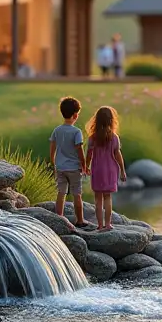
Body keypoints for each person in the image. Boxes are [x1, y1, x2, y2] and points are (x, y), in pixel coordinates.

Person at [49, 96, 89, 227]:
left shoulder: (57, 130)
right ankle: (80, 220)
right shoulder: (76, 132)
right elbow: (79, 150)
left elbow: (52, 149)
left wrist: (54, 162)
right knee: (77, 194)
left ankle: (59, 218)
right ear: (76, 115)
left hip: (60, 167)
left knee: (61, 193)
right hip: (74, 168)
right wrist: (84, 165)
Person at [86, 105, 127, 231]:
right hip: (110, 170)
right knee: (107, 197)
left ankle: (99, 225)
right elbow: (117, 155)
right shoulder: (114, 137)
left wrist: (86, 166)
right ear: (111, 120)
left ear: (96, 120)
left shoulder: (93, 137)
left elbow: (89, 154)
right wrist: (122, 171)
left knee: (98, 198)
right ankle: (108, 224)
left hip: (97, 169)